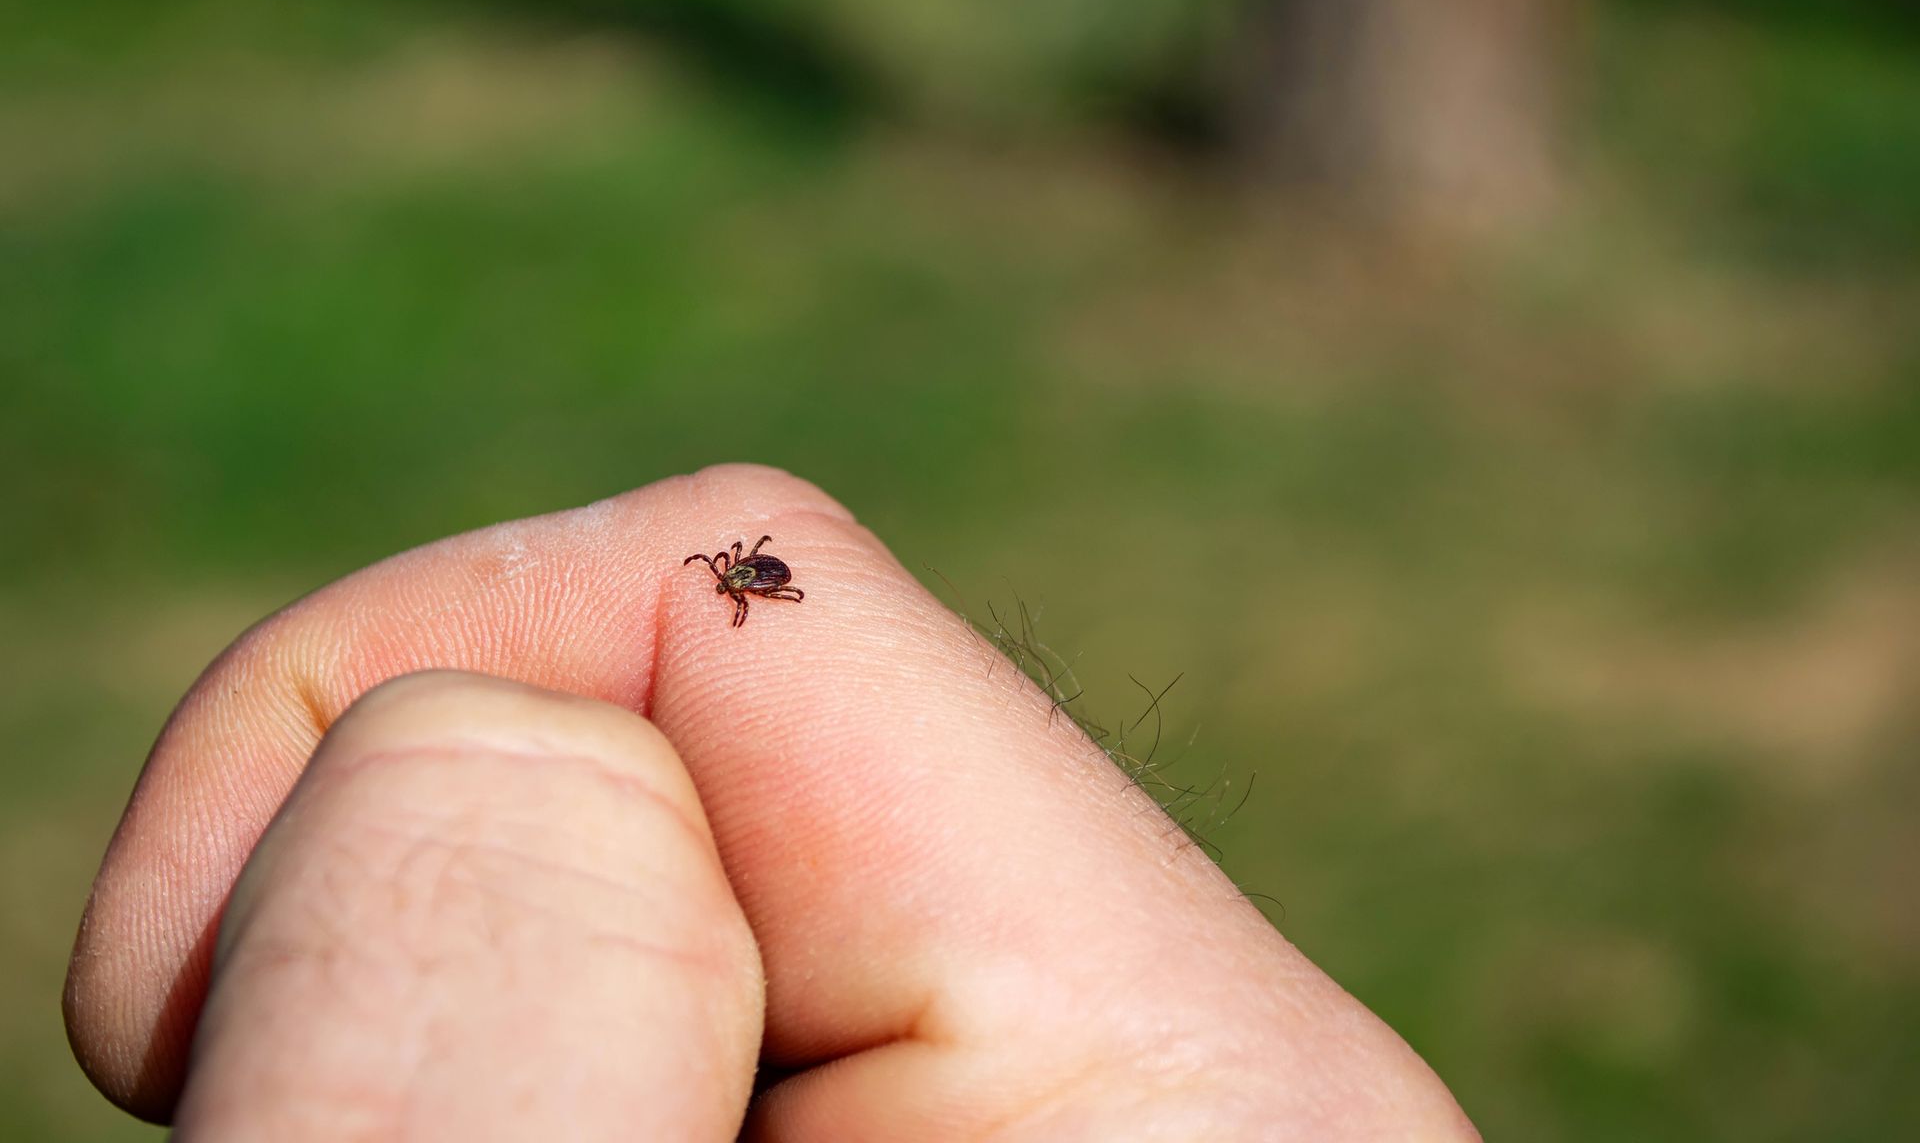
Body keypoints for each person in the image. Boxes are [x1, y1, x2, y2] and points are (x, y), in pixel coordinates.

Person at [63, 465, 1478, 1139]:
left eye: (736, 578)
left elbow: (750, 581)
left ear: (742, 581)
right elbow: (746, 569)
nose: (736, 582)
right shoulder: (741, 574)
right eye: (736, 578)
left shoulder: (745, 586)